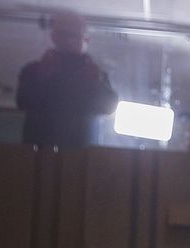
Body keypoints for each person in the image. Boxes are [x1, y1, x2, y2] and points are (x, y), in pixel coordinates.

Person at [15, 10, 117, 149]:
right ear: (54, 37)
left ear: (86, 39)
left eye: (75, 35)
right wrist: (43, 76)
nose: (69, 40)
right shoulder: (34, 70)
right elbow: (22, 102)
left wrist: (95, 83)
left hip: (82, 156)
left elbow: (109, 108)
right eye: (64, 35)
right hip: (39, 153)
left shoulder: (95, 74)